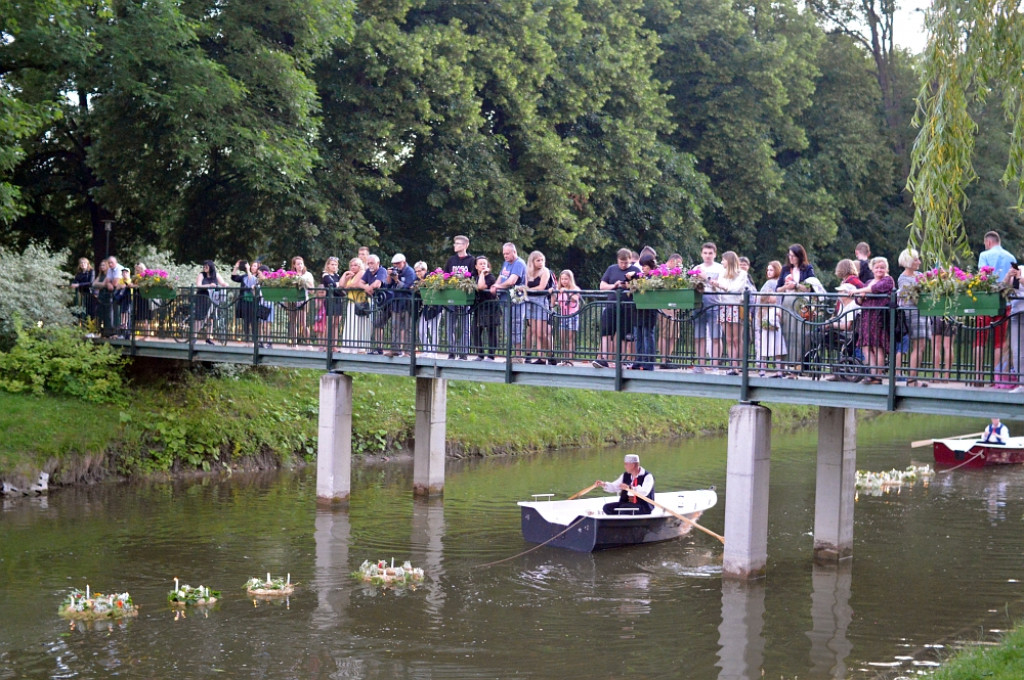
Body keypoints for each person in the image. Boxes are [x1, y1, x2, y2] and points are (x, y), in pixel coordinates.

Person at [977, 231, 1017, 384]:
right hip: (1004, 302)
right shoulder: (1011, 257)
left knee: (980, 340)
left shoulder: (984, 255)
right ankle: (996, 377)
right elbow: (1013, 283)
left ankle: (978, 376)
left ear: (988, 242)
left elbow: (982, 277)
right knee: (999, 342)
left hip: (986, 301)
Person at [594, 248, 640, 368]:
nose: (623, 265)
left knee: (625, 335)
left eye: (626, 263)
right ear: (617, 260)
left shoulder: (635, 270)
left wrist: (627, 285)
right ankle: (604, 359)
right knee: (606, 332)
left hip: (628, 306)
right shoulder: (611, 269)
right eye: (621, 262)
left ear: (630, 260)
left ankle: (620, 360)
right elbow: (602, 286)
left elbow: (640, 287)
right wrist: (614, 285)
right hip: (611, 305)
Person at [854, 256, 895, 384]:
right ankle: (872, 374)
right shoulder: (868, 282)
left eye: (882, 267)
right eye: (877, 267)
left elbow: (875, 289)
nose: (879, 270)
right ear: (872, 268)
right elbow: (859, 301)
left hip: (878, 317)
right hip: (866, 317)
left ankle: (878, 376)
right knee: (866, 346)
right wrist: (860, 296)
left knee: (877, 347)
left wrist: (859, 290)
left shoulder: (888, 280)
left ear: (886, 268)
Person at [896, 248, 932, 386]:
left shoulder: (919, 275)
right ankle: (911, 380)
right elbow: (909, 297)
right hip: (912, 313)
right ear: (909, 261)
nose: (919, 262)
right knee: (918, 346)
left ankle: (913, 378)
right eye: (916, 259)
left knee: (921, 346)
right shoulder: (903, 278)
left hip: (921, 312)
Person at [711, 251, 750, 374]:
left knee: (736, 338)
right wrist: (714, 285)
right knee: (728, 338)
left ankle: (738, 366)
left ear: (729, 260)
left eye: (723, 260)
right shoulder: (722, 273)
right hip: (724, 306)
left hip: (736, 306)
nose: (722, 262)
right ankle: (732, 365)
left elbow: (735, 289)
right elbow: (720, 289)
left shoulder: (742, 274)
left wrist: (721, 286)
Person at [491, 243, 528, 362]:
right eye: (504, 254)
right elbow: (501, 277)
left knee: (516, 327)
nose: (505, 256)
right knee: (508, 328)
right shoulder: (506, 263)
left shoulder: (519, 263)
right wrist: (495, 286)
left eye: (507, 253)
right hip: (506, 300)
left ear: (514, 252)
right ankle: (511, 355)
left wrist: (498, 286)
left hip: (516, 301)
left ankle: (519, 356)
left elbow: (512, 281)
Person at [693, 242, 725, 371]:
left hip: (715, 303)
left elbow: (721, 285)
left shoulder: (720, 269)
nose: (707, 256)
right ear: (701, 254)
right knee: (699, 336)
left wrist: (707, 278)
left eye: (710, 253)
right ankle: (700, 364)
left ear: (715, 254)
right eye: (705, 253)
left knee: (716, 336)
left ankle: (715, 365)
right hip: (699, 304)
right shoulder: (697, 267)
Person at [444, 235, 476, 359]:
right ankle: (451, 351)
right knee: (450, 324)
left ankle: (463, 352)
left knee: (465, 325)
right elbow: (446, 275)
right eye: (455, 243)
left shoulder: (471, 260)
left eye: (457, 243)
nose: (455, 246)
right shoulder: (451, 260)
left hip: (464, 297)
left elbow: (473, 275)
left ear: (465, 245)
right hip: (452, 296)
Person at [524, 250, 555, 364]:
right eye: (538, 260)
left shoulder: (545, 271)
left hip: (541, 301)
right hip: (530, 302)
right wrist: (525, 290)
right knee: (532, 330)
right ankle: (540, 357)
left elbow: (542, 287)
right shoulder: (528, 272)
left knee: (541, 332)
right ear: (532, 261)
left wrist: (527, 290)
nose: (541, 262)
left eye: (542, 260)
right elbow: (525, 285)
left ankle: (551, 355)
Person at [384, 253, 416, 356]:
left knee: (407, 328)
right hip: (396, 303)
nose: (396, 266)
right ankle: (395, 350)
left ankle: (408, 351)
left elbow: (407, 287)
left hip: (407, 303)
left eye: (398, 264)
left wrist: (397, 279)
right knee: (395, 327)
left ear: (404, 262)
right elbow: (388, 286)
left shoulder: (409, 272)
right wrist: (389, 276)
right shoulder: (395, 271)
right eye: (394, 264)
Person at [631, 253, 659, 370]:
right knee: (638, 336)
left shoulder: (655, 278)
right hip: (638, 311)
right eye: (642, 267)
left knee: (648, 335)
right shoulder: (640, 277)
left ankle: (649, 362)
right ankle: (639, 360)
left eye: (646, 267)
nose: (643, 269)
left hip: (649, 311)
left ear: (651, 267)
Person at [657, 253, 685, 368]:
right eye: (678, 264)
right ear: (673, 261)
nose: (679, 267)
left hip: (675, 306)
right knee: (665, 333)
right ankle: (663, 359)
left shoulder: (678, 274)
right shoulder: (660, 271)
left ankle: (668, 358)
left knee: (674, 335)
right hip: (665, 306)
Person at [472, 256, 499, 360]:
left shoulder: (490, 277)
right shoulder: (474, 277)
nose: (483, 265)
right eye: (480, 263)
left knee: (491, 331)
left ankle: (491, 356)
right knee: (476, 330)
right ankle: (480, 354)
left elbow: (481, 287)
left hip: (490, 307)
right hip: (479, 307)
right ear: (476, 266)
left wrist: (482, 274)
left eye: (485, 263)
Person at [553, 269, 581, 366]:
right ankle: (564, 360)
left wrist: (567, 292)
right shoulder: (559, 289)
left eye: (566, 279)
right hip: (563, 316)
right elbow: (554, 303)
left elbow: (575, 299)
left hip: (572, 316)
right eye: (562, 279)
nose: (564, 281)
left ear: (570, 279)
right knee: (562, 338)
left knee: (570, 339)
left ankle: (570, 361)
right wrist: (553, 292)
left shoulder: (575, 288)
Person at [413, 261, 441, 356]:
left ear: (424, 270)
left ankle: (434, 352)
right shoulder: (417, 281)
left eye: (419, 271)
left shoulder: (431, 278)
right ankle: (426, 349)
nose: (418, 273)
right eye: (416, 271)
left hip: (435, 307)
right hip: (426, 308)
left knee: (434, 330)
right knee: (421, 329)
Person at [756, 294, 787, 377]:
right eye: (773, 295)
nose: (775, 297)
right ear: (768, 299)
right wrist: (765, 325)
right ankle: (762, 369)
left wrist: (779, 316)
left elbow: (781, 320)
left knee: (778, 351)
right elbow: (760, 321)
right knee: (764, 351)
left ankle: (779, 370)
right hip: (766, 332)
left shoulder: (777, 308)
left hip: (776, 332)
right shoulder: (763, 310)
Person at [232, 260, 259, 345]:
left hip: (254, 301)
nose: (253, 267)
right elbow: (234, 278)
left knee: (253, 321)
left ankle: (255, 341)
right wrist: (236, 267)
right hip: (244, 300)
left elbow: (252, 281)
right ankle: (247, 340)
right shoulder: (244, 276)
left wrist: (247, 270)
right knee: (246, 321)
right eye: (252, 266)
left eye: (255, 266)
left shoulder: (258, 277)